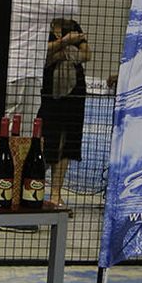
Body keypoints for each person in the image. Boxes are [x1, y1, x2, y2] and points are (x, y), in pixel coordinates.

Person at [6, 0, 80, 120]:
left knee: (10, 129)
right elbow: (69, 8)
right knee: (19, 132)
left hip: (14, 73)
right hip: (24, 74)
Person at [39, 16, 89, 206]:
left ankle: (56, 194)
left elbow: (86, 54)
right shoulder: (42, 23)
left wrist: (59, 52)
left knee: (67, 142)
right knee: (47, 139)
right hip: (47, 92)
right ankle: (35, 188)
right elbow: (41, 53)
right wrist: (67, 43)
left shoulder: (73, 25)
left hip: (74, 92)